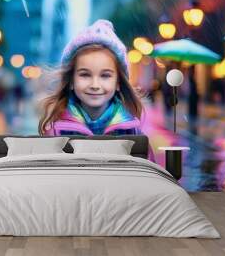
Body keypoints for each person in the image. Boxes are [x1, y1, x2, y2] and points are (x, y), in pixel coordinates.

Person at [38, 19, 154, 161]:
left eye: (105, 75)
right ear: (71, 81)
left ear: (118, 82)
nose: (95, 84)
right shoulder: (54, 133)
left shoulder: (135, 133)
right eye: (85, 74)